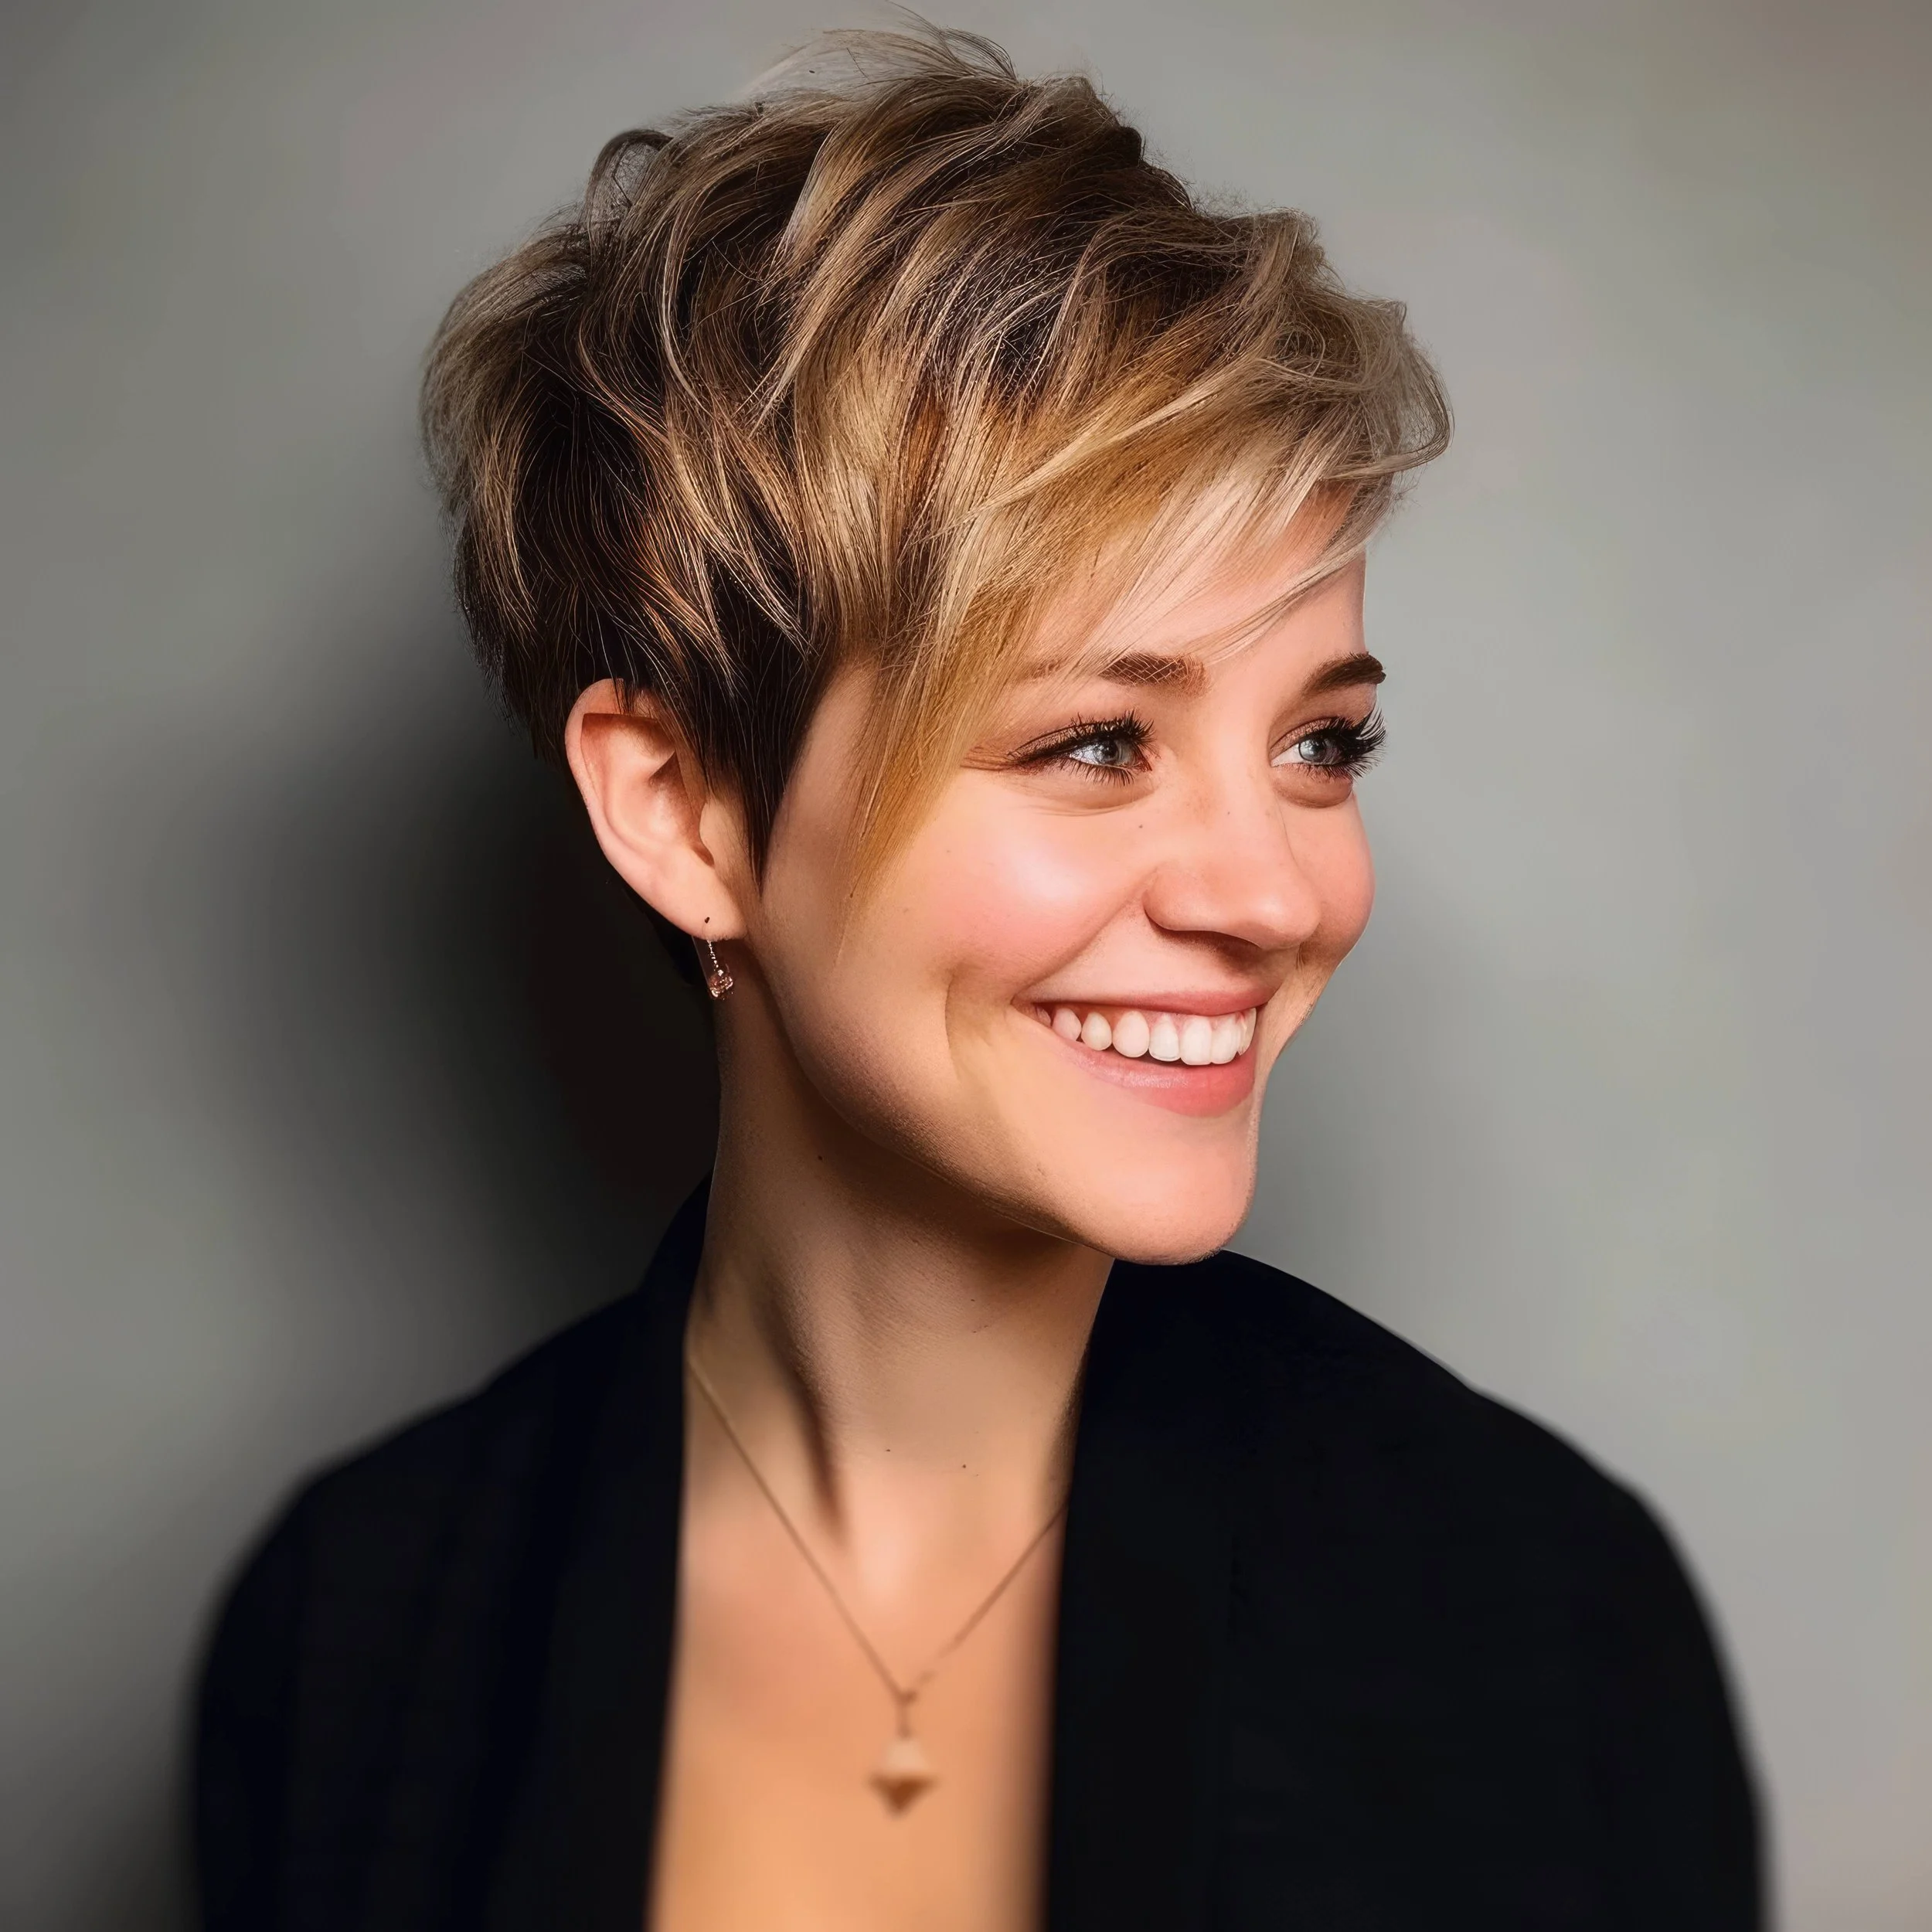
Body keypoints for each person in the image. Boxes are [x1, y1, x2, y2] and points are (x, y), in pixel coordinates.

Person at [194, 26, 1760, 1932]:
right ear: (681, 809)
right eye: (1096, 739)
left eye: (1318, 743)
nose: (1272, 891)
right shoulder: (355, 1635)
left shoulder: (1543, 1621)